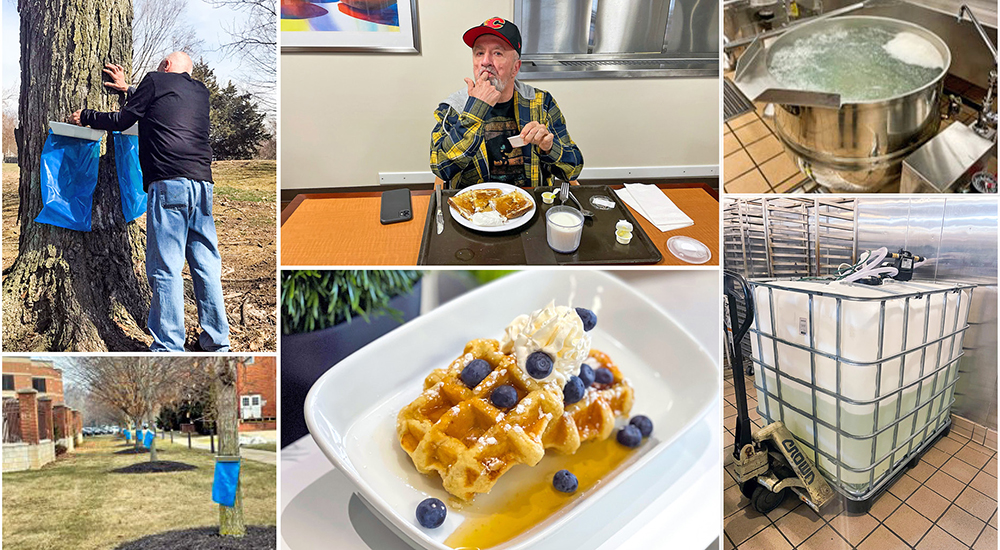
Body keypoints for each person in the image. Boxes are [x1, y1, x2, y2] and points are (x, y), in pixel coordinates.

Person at [69, 52, 230, 353]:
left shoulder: (156, 80)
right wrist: (129, 89)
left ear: (166, 67)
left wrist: (87, 116)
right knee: (206, 265)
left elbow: (123, 120)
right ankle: (217, 342)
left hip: (169, 184)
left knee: (165, 268)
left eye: (159, 67)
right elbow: (162, 105)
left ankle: (168, 347)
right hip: (202, 186)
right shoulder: (200, 91)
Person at [430, 18, 584, 189]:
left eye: (497, 53)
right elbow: (440, 168)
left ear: (515, 68)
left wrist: (548, 148)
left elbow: (573, 169)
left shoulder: (542, 103)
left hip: (530, 202)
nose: (485, 62)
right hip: (474, 206)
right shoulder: (453, 108)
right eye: (479, 53)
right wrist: (475, 111)